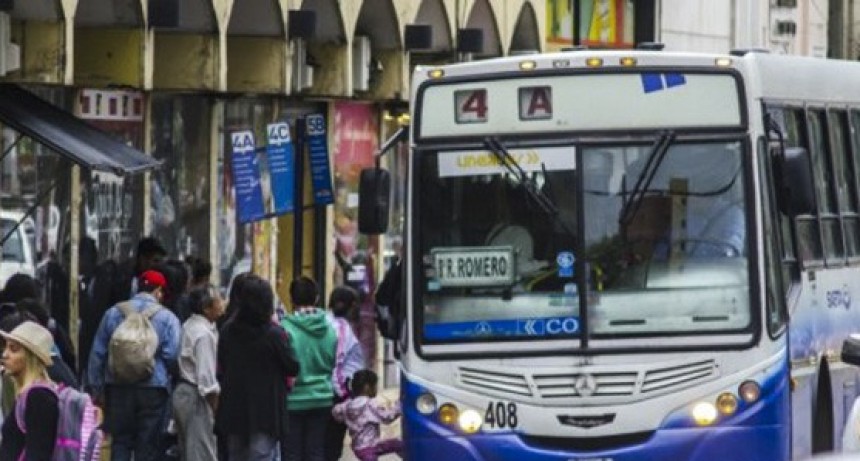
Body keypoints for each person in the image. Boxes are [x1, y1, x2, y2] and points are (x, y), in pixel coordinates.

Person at [86, 269, 181, 461]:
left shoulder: (112, 314)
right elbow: (172, 356)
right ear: (159, 292)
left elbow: (97, 354)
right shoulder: (168, 318)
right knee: (147, 444)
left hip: (118, 386)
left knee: (120, 441)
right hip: (154, 389)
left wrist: (96, 390)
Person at [215, 274, 299, 461]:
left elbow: (222, 363)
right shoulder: (274, 334)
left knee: (236, 455)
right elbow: (292, 367)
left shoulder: (228, 331)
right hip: (266, 411)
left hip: (234, 408)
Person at [282, 276, 337, 461]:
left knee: (292, 454)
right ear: (317, 298)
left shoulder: (284, 328)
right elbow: (332, 362)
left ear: (291, 299)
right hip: (322, 398)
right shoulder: (330, 329)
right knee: (316, 452)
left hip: (293, 401)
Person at [172, 284, 224, 461]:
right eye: (218, 299)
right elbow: (207, 382)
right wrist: (216, 410)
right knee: (201, 454)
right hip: (196, 398)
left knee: (190, 451)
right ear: (206, 308)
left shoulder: (190, 325)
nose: (222, 303)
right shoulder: (204, 335)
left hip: (185, 393)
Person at [0, 321, 60, 460]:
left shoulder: (38, 397)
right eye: (5, 348)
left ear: (30, 356)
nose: (5, 354)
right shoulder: (28, 395)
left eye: (13, 349)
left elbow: (38, 453)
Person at [326, 286, 366, 461]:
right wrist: (345, 396)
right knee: (331, 449)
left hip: (327, 394)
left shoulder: (326, 322)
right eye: (355, 304)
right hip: (336, 396)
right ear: (345, 306)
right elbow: (337, 364)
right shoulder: (340, 327)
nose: (358, 309)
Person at [332, 369, 402, 461]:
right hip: (370, 448)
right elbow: (387, 417)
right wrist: (399, 405)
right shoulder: (370, 404)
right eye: (375, 386)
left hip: (359, 448)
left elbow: (335, 412)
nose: (376, 389)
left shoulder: (347, 405)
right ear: (367, 387)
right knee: (401, 445)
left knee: (396, 444)